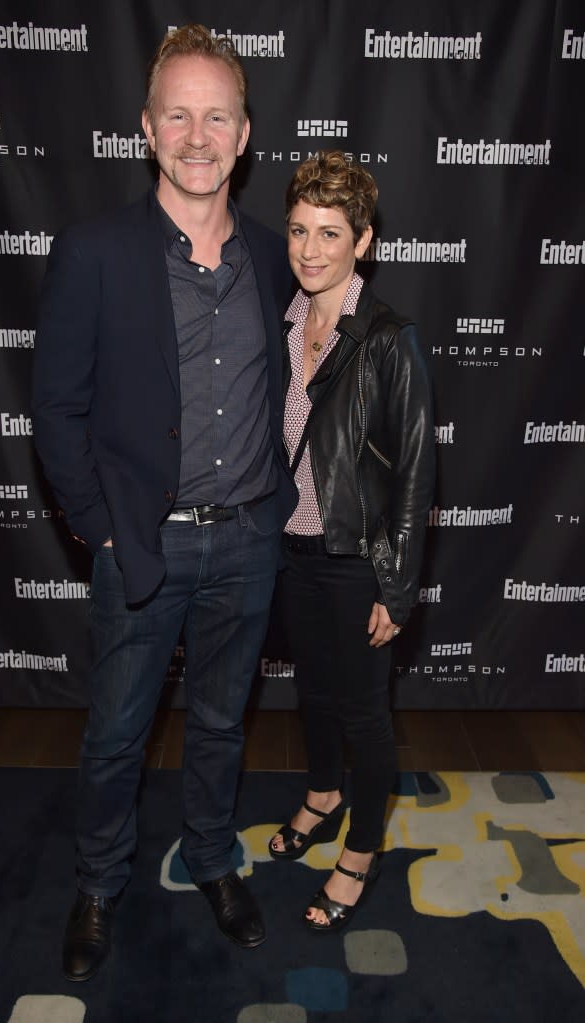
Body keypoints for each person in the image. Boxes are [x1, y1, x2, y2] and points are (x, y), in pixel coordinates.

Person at [32, 24, 297, 979]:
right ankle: (99, 882)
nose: (198, 134)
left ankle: (216, 858)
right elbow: (55, 411)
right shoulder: (95, 251)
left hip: (249, 541)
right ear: (147, 130)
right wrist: (103, 529)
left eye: (215, 114)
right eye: (178, 114)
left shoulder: (273, 258)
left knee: (225, 722)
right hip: (141, 545)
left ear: (244, 133)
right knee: (116, 731)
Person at [269, 152, 435, 931]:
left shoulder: (388, 339)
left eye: (329, 233)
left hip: (358, 562)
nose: (309, 249)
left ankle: (361, 849)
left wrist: (396, 587)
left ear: (361, 240)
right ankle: (323, 792)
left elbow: (414, 475)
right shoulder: (288, 319)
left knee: (365, 714)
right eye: (300, 229)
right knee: (314, 696)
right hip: (294, 551)